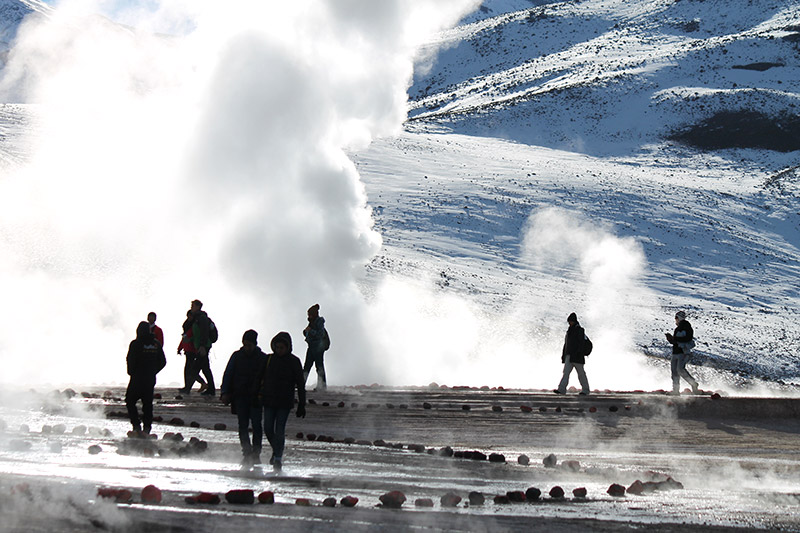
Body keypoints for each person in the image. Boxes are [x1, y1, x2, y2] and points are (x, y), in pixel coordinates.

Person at [258, 332, 306, 472]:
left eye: (282, 348)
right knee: (267, 428)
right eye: (277, 347)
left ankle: (278, 457)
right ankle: (276, 450)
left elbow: (300, 384)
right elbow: (259, 377)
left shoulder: (294, 361)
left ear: (288, 347)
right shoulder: (269, 359)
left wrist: (302, 404)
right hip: (269, 400)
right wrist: (256, 395)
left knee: (279, 430)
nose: (279, 350)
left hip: (284, 402)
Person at [221, 330, 268, 467]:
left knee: (257, 426)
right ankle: (247, 453)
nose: (247, 347)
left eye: (249, 345)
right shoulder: (237, 356)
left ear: (254, 344)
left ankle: (256, 453)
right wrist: (225, 392)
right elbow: (228, 374)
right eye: (245, 345)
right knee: (243, 425)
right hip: (240, 396)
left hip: (256, 398)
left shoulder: (262, 358)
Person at [125, 321, 167, 436]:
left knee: (130, 400)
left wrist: (132, 372)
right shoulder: (156, 344)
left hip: (137, 378)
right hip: (150, 378)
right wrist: (153, 371)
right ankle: (147, 427)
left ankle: (136, 425)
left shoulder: (135, 344)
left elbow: (130, 360)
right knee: (147, 403)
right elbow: (163, 361)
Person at [554, 312, 590, 396]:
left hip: (577, 357)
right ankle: (561, 389)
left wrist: (578, 353)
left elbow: (580, 344)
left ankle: (585, 390)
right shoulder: (570, 331)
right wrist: (564, 355)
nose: (569, 323)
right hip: (569, 356)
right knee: (566, 373)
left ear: (574, 321)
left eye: (570, 321)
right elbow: (566, 344)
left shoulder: (579, 330)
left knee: (581, 374)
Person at [666, 310, 699, 395]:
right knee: (674, 371)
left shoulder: (687, 328)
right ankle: (675, 390)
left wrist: (675, 339)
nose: (675, 320)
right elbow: (676, 342)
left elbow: (688, 339)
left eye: (676, 318)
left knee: (680, 369)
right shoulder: (677, 329)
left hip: (683, 352)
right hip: (675, 352)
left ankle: (693, 384)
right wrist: (671, 340)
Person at [188, 299, 216, 396]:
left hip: (203, 347)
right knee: (205, 369)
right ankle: (211, 389)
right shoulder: (197, 318)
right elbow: (197, 334)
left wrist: (202, 346)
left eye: (193, 306)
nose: (191, 308)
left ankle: (205, 385)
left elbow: (204, 332)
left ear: (198, 307)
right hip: (201, 346)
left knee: (193, 369)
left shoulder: (202, 318)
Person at [177, 310, 208, 394]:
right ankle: (188, 387)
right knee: (188, 369)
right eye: (188, 316)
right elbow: (184, 338)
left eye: (190, 316)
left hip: (193, 350)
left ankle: (201, 383)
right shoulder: (187, 325)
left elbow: (193, 337)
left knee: (191, 370)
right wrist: (180, 347)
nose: (189, 318)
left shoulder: (194, 326)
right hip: (187, 350)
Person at [302, 304, 329, 391]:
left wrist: (311, 331)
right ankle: (301, 384)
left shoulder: (319, 322)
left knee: (319, 367)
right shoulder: (311, 322)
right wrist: (306, 332)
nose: (309, 316)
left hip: (318, 347)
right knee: (307, 366)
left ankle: (322, 386)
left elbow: (320, 334)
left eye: (310, 314)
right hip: (311, 346)